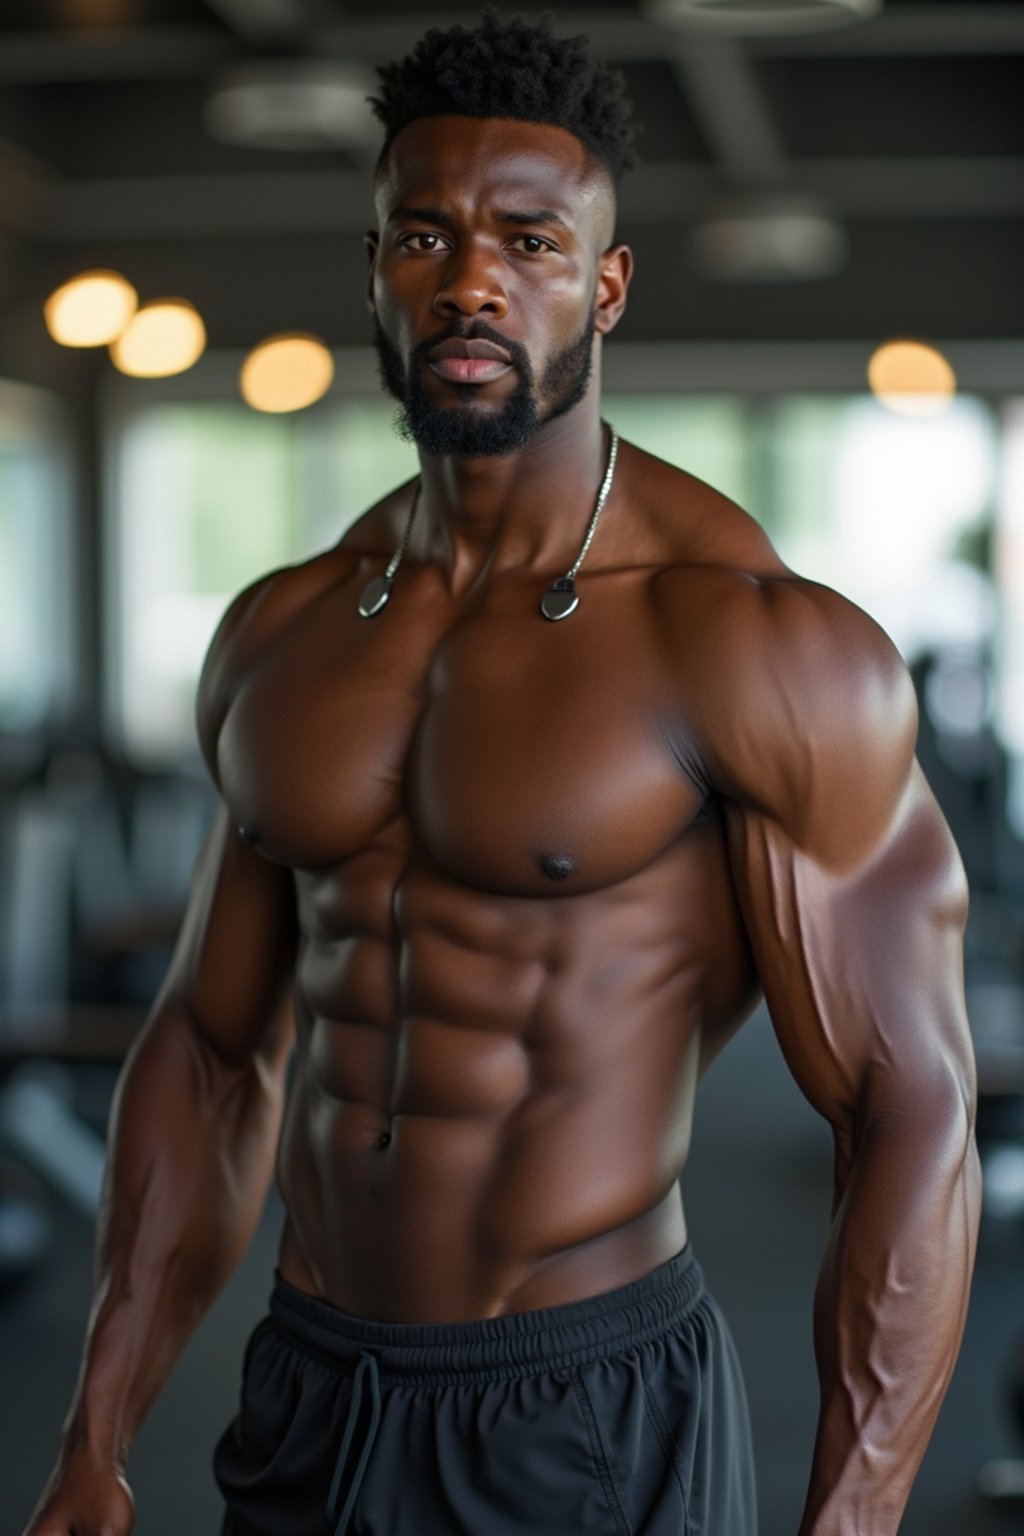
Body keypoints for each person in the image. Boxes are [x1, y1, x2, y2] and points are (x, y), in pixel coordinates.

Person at [24, 11, 980, 1536]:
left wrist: (852, 1520)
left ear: (604, 287)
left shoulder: (745, 639)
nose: (473, 276)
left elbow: (907, 1107)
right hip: (309, 1384)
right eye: (427, 234)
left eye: (530, 241)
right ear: (378, 273)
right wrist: (95, 1432)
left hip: (581, 1403)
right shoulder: (281, 631)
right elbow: (212, 1051)